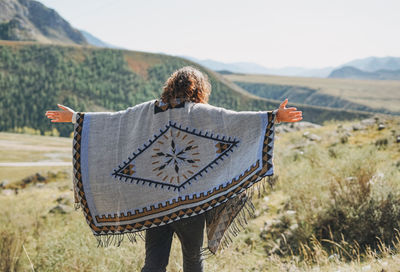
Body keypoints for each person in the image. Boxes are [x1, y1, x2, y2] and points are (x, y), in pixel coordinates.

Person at [45, 66, 302, 272]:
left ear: (170, 87)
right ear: (199, 90)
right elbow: (235, 121)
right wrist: (275, 116)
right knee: (193, 262)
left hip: (156, 204)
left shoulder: (148, 111)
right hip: (191, 205)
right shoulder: (202, 113)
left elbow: (115, 122)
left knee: (154, 264)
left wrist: (77, 118)